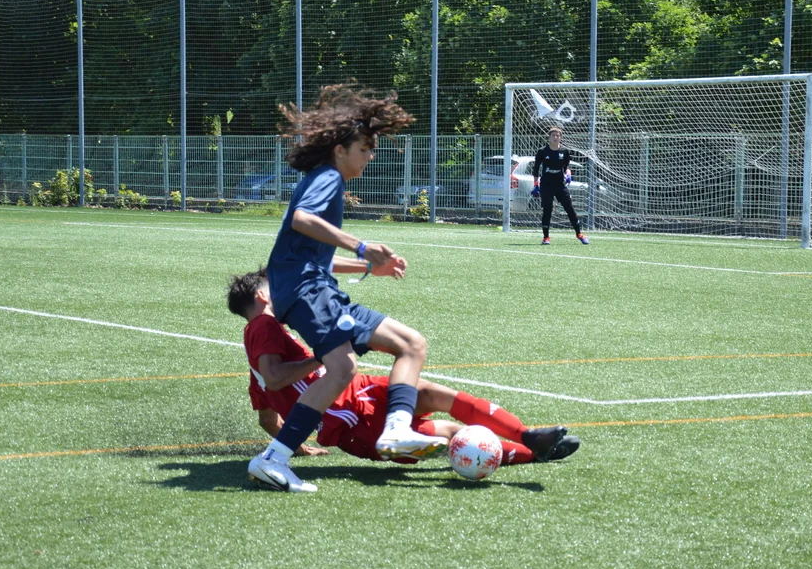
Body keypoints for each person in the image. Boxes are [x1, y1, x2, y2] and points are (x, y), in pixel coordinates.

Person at [246, 84, 450, 493]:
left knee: (402, 347)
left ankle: (390, 430)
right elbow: (303, 219)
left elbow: (306, 255)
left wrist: (367, 266)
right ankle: (278, 457)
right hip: (309, 293)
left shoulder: (324, 178)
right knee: (365, 361)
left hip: (310, 289)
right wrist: (361, 246)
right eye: (364, 148)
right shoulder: (328, 178)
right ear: (340, 150)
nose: (370, 156)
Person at [228, 269, 578, 488]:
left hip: (363, 391)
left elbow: (266, 417)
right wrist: (322, 358)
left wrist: (295, 446)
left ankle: (528, 436)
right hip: (354, 420)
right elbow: (275, 378)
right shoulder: (263, 325)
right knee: (455, 434)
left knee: (432, 392)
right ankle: (534, 453)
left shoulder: (259, 349)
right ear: (263, 296)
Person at [531, 126, 589, 246]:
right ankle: (546, 237)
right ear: (549, 137)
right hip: (546, 184)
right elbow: (536, 168)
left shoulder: (564, 151)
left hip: (560, 184)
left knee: (569, 208)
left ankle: (579, 234)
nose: (555, 137)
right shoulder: (542, 151)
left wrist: (568, 174)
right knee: (547, 209)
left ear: (560, 137)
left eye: (558, 136)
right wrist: (536, 185)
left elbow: (566, 167)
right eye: (553, 135)